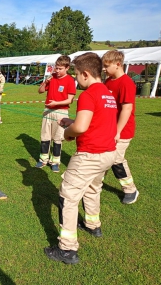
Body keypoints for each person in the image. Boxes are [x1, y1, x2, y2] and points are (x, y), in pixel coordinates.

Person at [44, 52, 118, 264]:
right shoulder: (107, 93)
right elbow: (96, 120)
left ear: (85, 74)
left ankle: (67, 249)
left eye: (76, 74)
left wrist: (68, 132)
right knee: (94, 189)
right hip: (108, 154)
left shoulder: (87, 95)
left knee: (68, 197)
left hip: (90, 155)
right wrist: (72, 121)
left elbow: (82, 127)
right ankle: (93, 225)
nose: (76, 79)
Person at [102, 50, 139, 204]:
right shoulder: (108, 81)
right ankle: (96, 182)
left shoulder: (126, 83)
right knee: (103, 156)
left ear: (118, 64)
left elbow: (127, 109)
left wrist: (117, 131)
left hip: (122, 131)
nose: (104, 69)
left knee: (116, 160)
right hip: (108, 129)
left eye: (106, 66)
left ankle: (130, 189)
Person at [36, 55, 76, 173]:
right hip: (48, 111)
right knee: (45, 135)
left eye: (60, 69)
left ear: (67, 68)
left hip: (61, 112)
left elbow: (70, 100)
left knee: (58, 138)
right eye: (56, 68)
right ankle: (43, 159)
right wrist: (45, 82)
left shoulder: (70, 80)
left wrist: (56, 103)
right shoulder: (52, 77)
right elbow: (40, 91)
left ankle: (55, 162)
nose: (57, 71)